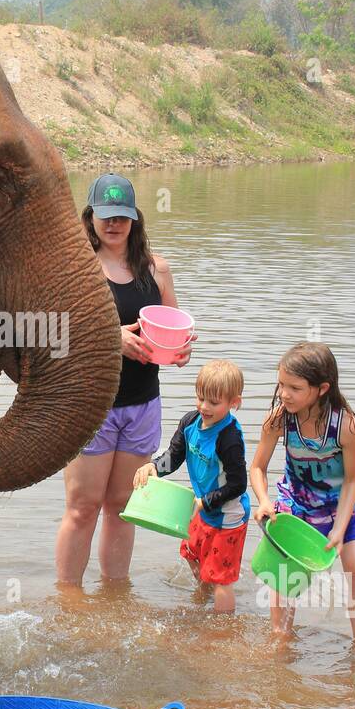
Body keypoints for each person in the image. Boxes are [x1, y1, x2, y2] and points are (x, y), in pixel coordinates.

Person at [55, 173, 193, 586]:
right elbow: (49, 333)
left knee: (122, 505)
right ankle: (69, 600)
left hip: (142, 404)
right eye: (105, 216)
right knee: (83, 507)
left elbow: (173, 327)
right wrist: (109, 336)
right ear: (90, 216)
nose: (113, 224)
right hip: (89, 403)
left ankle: (116, 596)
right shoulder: (73, 267)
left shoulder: (157, 269)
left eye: (122, 217)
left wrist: (182, 348)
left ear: (134, 219)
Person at [249, 342, 355, 645]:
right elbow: (258, 468)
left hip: (339, 504)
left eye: (294, 387)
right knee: (283, 576)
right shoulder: (279, 420)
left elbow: (353, 482)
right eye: (281, 384)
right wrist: (264, 501)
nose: (284, 393)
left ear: (322, 388)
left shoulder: (346, 425)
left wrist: (340, 530)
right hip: (297, 503)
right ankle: (281, 639)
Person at [133, 360, 250, 614]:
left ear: (234, 403)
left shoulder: (229, 438)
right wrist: (154, 466)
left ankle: (222, 630)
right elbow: (174, 455)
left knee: (221, 579)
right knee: (190, 553)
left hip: (227, 515)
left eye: (214, 402)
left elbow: (239, 484)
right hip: (202, 507)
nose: (204, 407)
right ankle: (203, 594)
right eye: (201, 398)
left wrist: (206, 501)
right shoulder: (190, 423)